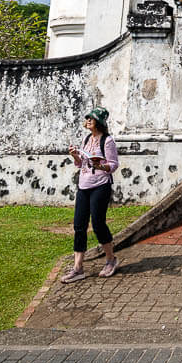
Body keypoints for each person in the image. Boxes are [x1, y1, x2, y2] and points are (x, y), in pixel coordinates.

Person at [61, 106, 120, 281]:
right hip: (84, 186)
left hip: (100, 185)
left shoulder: (107, 141)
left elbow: (113, 165)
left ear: (99, 122)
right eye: (87, 118)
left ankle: (111, 259)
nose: (88, 121)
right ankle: (78, 268)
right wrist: (75, 156)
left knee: (98, 223)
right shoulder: (87, 139)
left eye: (91, 119)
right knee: (79, 225)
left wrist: (101, 166)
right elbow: (81, 165)